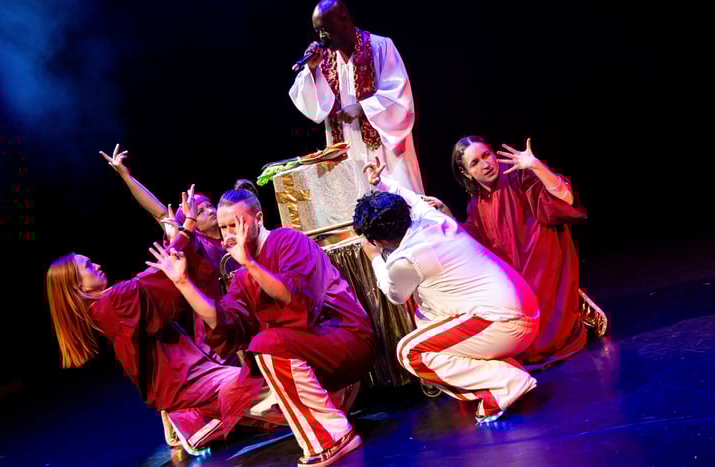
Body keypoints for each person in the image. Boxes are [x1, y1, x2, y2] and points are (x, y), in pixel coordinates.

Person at [45, 190, 284, 452]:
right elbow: (157, 278)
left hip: (187, 376)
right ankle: (193, 419)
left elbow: (154, 281)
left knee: (269, 398)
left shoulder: (106, 305)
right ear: (77, 286)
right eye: (89, 266)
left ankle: (196, 419)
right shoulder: (110, 304)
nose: (98, 265)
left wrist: (181, 235)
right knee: (272, 390)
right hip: (184, 381)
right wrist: (186, 230)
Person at [150, 188, 372, 467]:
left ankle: (334, 437)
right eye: (223, 227)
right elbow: (225, 321)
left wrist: (250, 263)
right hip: (311, 352)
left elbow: (297, 301)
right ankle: (331, 410)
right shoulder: (243, 274)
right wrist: (183, 283)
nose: (229, 234)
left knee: (267, 344)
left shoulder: (289, 241)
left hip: (344, 338)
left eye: (236, 224)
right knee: (234, 388)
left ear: (258, 218)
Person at [353, 158, 539, 423]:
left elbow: (394, 295)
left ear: (379, 241)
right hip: (523, 309)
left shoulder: (407, 258)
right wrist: (381, 183)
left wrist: (373, 257)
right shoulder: (430, 218)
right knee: (425, 317)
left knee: (409, 351)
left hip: (506, 322)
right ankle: (504, 370)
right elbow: (411, 199)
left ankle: (505, 384)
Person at [425, 136, 602, 370]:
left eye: (486, 155)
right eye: (475, 163)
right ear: (466, 173)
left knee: (540, 344)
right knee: (517, 341)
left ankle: (575, 310)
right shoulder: (476, 204)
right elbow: (475, 243)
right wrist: (448, 215)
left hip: (543, 262)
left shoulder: (519, 175)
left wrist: (537, 166)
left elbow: (564, 199)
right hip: (515, 273)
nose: (486, 164)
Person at [99, 144, 233, 362]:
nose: (210, 210)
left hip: (245, 315)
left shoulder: (233, 237)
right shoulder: (194, 244)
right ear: (192, 223)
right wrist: (126, 176)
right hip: (216, 331)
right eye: (199, 211)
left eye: (209, 205)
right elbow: (160, 212)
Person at [289, 0, 424, 193]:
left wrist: (362, 108)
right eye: (318, 31)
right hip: (349, 151)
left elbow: (399, 96)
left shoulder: (380, 46)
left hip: (385, 150)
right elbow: (313, 105)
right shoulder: (323, 60)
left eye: (325, 28)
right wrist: (312, 70)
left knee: (398, 206)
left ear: (344, 19)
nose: (322, 36)